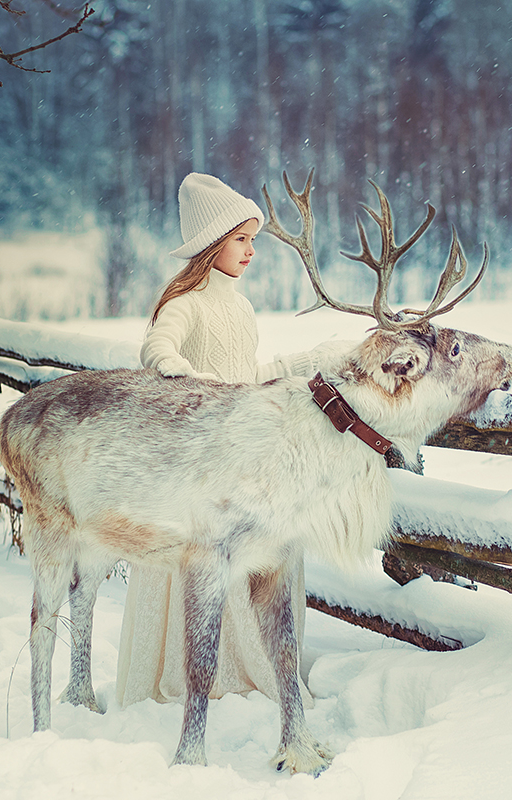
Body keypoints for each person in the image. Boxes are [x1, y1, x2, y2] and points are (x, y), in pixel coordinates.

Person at [115, 173, 344, 709]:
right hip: (201, 458)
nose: (251, 250)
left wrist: (308, 361)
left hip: (240, 452)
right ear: (212, 243)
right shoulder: (186, 302)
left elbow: (247, 372)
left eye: (253, 240)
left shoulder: (239, 306)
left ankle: (252, 664)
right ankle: (199, 674)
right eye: (241, 239)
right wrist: (189, 378)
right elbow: (158, 350)